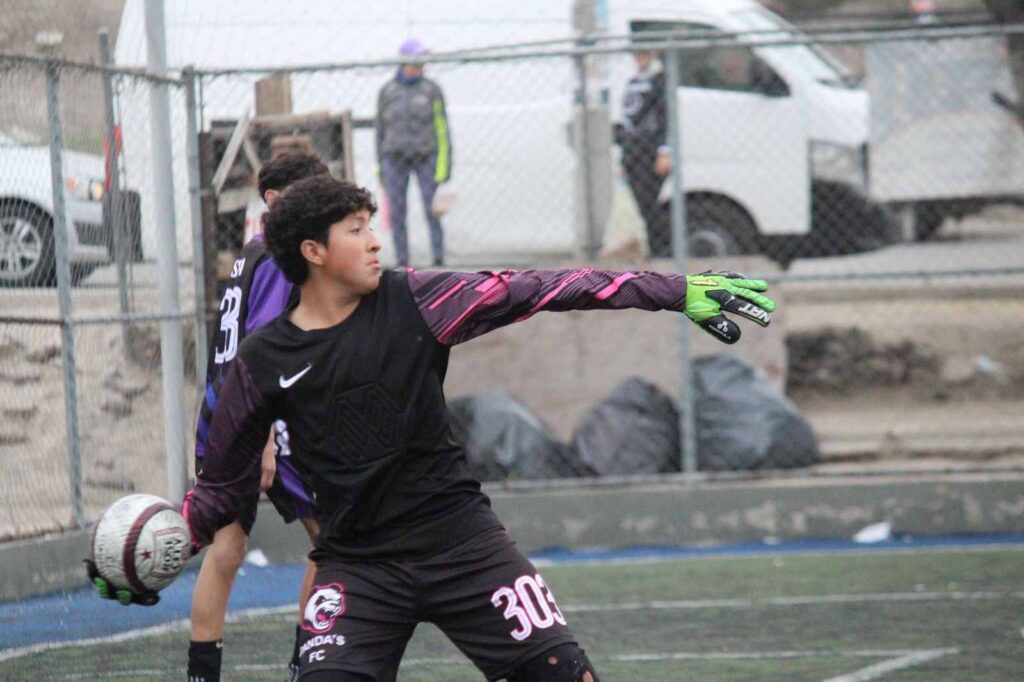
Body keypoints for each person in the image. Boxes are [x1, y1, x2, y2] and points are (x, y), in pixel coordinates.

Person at [102, 174, 775, 680]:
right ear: (312, 250)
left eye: (372, 223)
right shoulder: (263, 362)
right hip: (358, 568)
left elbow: (547, 288)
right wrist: (155, 551)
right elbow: (220, 491)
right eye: (356, 229)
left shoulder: (419, 301)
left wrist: (675, 291)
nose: (374, 240)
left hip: (465, 548)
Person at [88, 152, 330, 682]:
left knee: (229, 545)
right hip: (260, 421)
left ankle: (203, 673)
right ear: (274, 200)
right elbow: (264, 350)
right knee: (332, 541)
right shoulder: (276, 257)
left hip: (220, 412)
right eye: (311, 192)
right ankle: (309, 663)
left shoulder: (248, 255)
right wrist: (265, 438)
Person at [375, 37, 452, 267]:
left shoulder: (431, 90)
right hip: (394, 159)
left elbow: (442, 130)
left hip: (426, 157)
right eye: (415, 58)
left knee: (433, 209)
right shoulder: (388, 91)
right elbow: (380, 131)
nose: (420, 64)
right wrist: (380, 167)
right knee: (398, 211)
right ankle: (402, 261)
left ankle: (438, 258)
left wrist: (443, 167)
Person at [618, 43, 673, 258]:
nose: (639, 58)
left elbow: (665, 117)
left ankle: (662, 251)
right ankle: (651, 248)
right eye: (637, 54)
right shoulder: (634, 80)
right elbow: (627, 118)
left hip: (651, 148)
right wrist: (623, 158)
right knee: (640, 202)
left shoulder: (660, 79)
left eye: (644, 53)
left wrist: (664, 151)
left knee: (651, 201)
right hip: (632, 149)